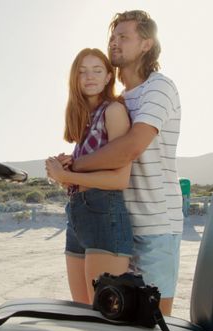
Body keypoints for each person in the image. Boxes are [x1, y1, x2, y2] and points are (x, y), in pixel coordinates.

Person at [68, 10, 183, 316]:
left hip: (155, 226)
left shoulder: (158, 88)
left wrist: (75, 168)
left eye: (123, 36)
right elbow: (104, 155)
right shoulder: (120, 99)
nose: (114, 42)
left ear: (146, 44)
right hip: (117, 223)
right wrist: (76, 159)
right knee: (111, 323)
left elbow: (130, 148)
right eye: (113, 37)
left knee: (152, 321)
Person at [45, 48, 133, 305]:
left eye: (97, 70)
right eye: (82, 71)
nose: (89, 77)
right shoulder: (84, 119)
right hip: (78, 214)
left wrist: (68, 176)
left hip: (105, 214)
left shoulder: (113, 111)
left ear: (108, 77)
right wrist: (65, 170)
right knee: (81, 312)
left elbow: (119, 180)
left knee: (102, 318)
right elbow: (86, 172)